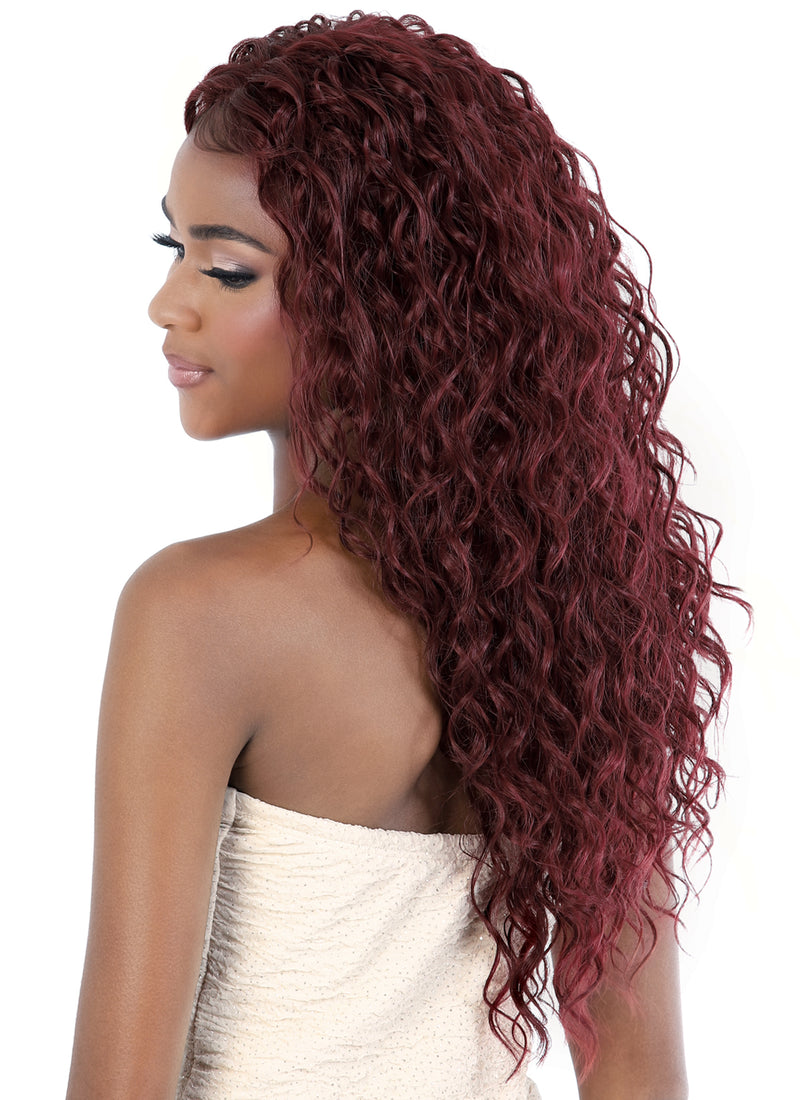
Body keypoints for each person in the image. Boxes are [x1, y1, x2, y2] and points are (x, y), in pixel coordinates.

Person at [65, 11, 749, 1099]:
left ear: (372, 303)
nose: (167, 302)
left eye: (227, 269)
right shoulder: (580, 613)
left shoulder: (197, 612)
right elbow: (638, 1075)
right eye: (173, 249)